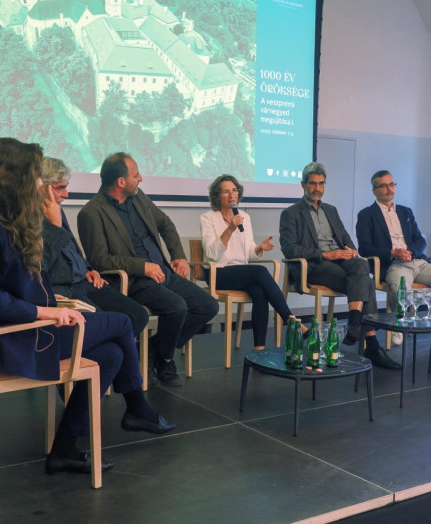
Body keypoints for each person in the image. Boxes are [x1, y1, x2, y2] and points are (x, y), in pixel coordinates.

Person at [0, 138, 174, 477]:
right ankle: (137, 407)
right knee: (123, 323)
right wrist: (44, 311)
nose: (39, 184)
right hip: (22, 337)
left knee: (111, 355)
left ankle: (66, 448)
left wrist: (43, 302)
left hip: (19, 332)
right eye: (35, 175)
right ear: (16, 177)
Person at [77, 153, 219, 386]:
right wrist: (142, 267)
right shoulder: (91, 213)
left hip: (163, 272)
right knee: (177, 307)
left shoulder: (138, 197)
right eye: (136, 175)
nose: (141, 178)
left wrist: (179, 256)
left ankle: (151, 351)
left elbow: (165, 224)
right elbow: (100, 260)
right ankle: (165, 359)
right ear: (121, 182)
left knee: (208, 306)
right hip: (133, 280)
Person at [279, 162, 401, 370]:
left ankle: (355, 323)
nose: (317, 188)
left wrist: (350, 251)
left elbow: (345, 238)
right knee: (366, 282)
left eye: (321, 184)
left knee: (361, 264)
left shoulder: (331, 210)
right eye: (313, 183)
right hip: (314, 265)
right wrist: (325, 254)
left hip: (340, 261)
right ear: (303, 185)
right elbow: (289, 249)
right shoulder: (291, 213)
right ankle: (369, 342)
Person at [356, 170, 431, 358]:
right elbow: (364, 248)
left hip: (418, 262)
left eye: (392, 184)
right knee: (401, 288)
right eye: (384, 185)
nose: (389, 188)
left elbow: (420, 240)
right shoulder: (367, 214)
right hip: (394, 264)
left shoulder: (405, 211)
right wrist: (393, 252)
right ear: (374, 190)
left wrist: (411, 252)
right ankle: (399, 325)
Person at [40, 157, 149, 337]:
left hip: (85, 282)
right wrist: (54, 227)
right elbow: (39, 266)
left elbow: (72, 249)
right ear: (42, 187)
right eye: (60, 188)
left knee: (138, 316)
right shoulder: (28, 218)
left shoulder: (56, 209)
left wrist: (88, 269)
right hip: (63, 290)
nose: (66, 194)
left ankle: (119, 350)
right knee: (109, 325)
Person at [200, 174, 308, 349]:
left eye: (234, 190)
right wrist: (230, 228)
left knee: (259, 293)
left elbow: (248, 251)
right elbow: (212, 253)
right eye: (226, 192)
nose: (231, 195)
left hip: (241, 273)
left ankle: (259, 349)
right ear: (217, 196)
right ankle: (290, 319)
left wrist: (259, 248)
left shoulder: (244, 217)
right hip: (218, 273)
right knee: (260, 271)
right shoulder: (208, 218)